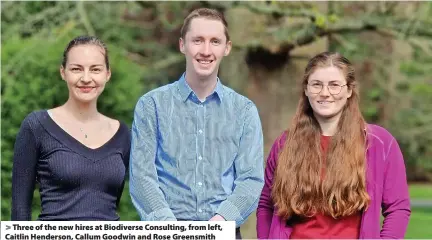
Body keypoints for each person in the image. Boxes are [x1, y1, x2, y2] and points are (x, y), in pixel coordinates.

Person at [129, 8, 264, 239]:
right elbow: (142, 177)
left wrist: (218, 224)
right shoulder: (152, 105)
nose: (206, 50)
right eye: (198, 41)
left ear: (227, 48)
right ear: (182, 45)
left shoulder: (244, 111)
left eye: (215, 41)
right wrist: (171, 229)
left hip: (223, 232)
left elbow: (250, 180)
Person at [256, 52, 411, 239]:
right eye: (316, 84)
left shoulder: (379, 143)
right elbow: (266, 204)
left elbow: (397, 209)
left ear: (349, 90)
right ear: (306, 90)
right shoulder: (284, 144)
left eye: (334, 85)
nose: (324, 93)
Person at [11, 36, 131, 221]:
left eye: (95, 69)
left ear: (107, 74)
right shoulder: (36, 126)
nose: (86, 78)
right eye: (76, 69)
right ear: (63, 72)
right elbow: (20, 211)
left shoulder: (122, 134)